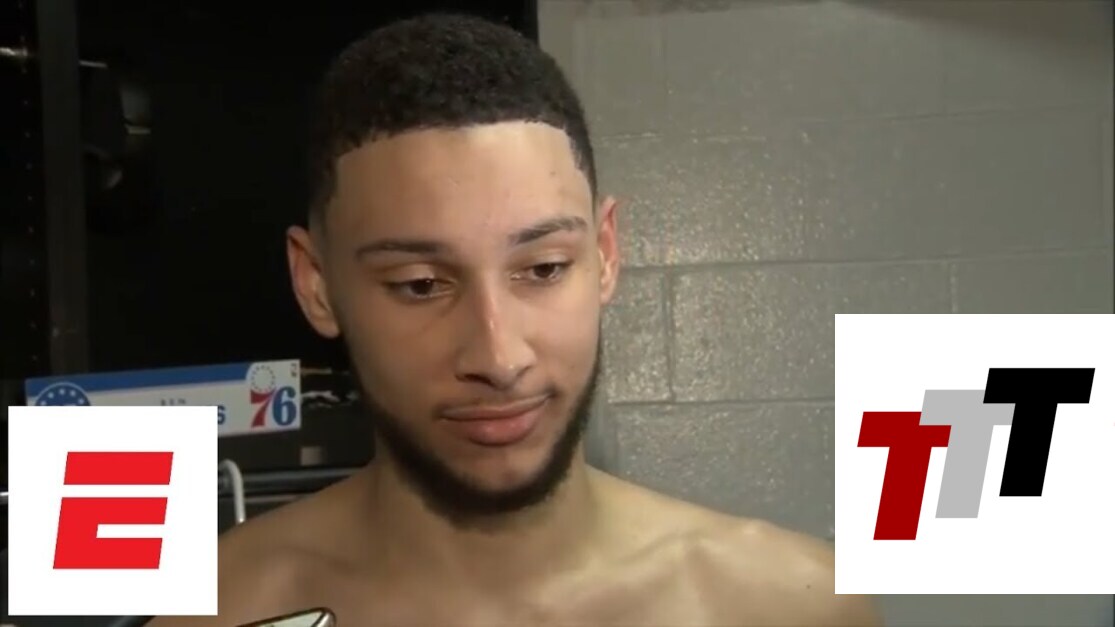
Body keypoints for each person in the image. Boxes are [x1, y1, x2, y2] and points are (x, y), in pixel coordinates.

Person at [150, 12, 880, 627]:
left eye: (544, 269)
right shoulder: (219, 611)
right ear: (316, 287)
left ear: (605, 255)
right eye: (420, 284)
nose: (499, 357)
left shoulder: (788, 606)